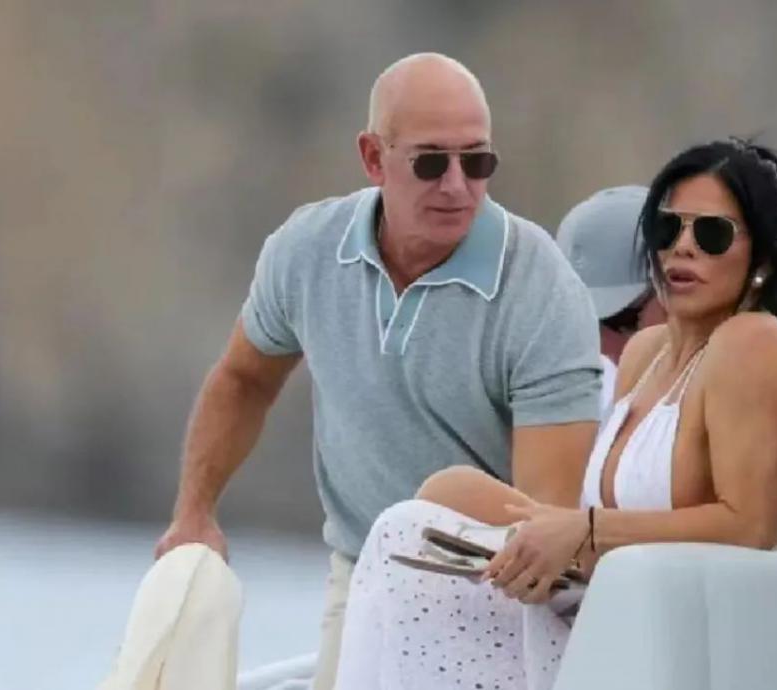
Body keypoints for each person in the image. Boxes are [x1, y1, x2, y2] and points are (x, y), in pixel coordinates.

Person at [153, 53, 603, 690]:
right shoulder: (306, 250)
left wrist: (434, 523)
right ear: (372, 157)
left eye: (477, 162)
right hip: (358, 569)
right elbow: (244, 379)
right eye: (430, 162)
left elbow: (541, 523)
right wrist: (194, 513)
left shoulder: (543, 289)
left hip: (496, 588)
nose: (457, 185)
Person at [334, 138, 777, 690]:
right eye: (666, 228)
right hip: (605, 605)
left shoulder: (753, 343)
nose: (682, 247)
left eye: (712, 234)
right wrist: (560, 536)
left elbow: (751, 527)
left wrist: (586, 531)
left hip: (676, 641)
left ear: (762, 258)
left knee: (402, 533)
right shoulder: (646, 353)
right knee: (444, 497)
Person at [556, 185, 777, 545]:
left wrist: (592, 531)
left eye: (623, 319)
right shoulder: (615, 366)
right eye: (586, 328)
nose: (605, 346)